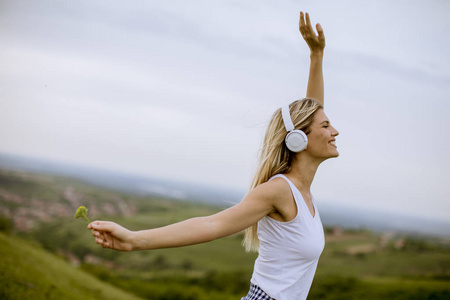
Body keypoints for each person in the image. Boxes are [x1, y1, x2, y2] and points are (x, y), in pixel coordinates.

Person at [88, 11, 339, 300]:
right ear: (298, 140)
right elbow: (212, 224)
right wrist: (133, 240)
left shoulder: (302, 191)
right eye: (326, 126)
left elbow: (311, 112)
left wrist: (316, 57)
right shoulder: (279, 190)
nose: (335, 131)